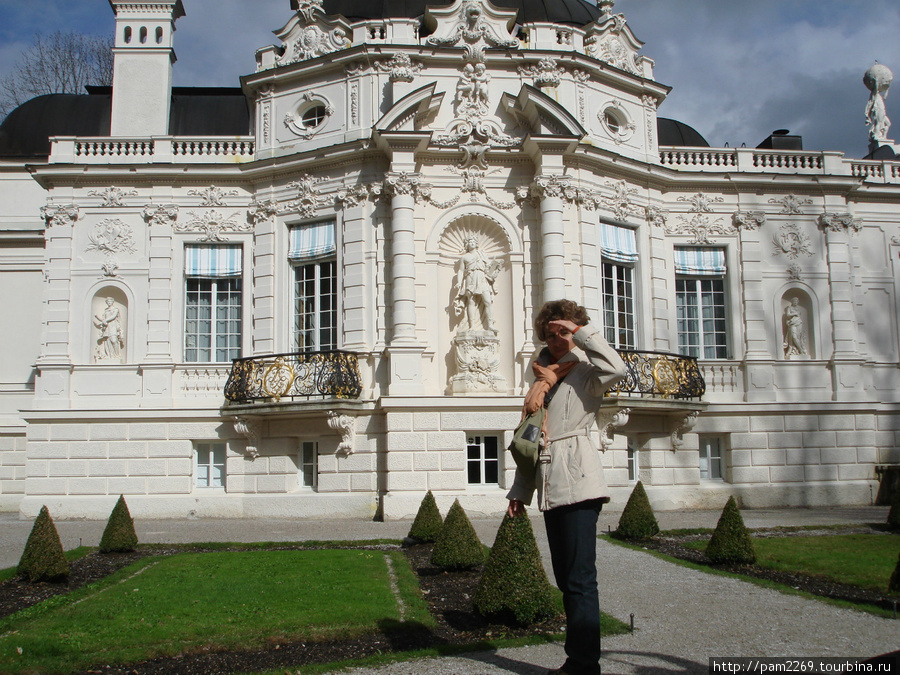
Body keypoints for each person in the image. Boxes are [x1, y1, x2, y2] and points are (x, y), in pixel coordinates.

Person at [507, 299, 626, 675]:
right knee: (566, 579)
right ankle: (580, 660)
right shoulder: (540, 383)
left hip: (579, 481)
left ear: (575, 332)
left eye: (564, 331)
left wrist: (582, 332)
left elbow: (618, 367)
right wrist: (519, 492)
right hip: (550, 486)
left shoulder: (588, 372)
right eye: (551, 332)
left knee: (579, 579)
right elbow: (530, 439)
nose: (557, 338)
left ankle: (583, 664)